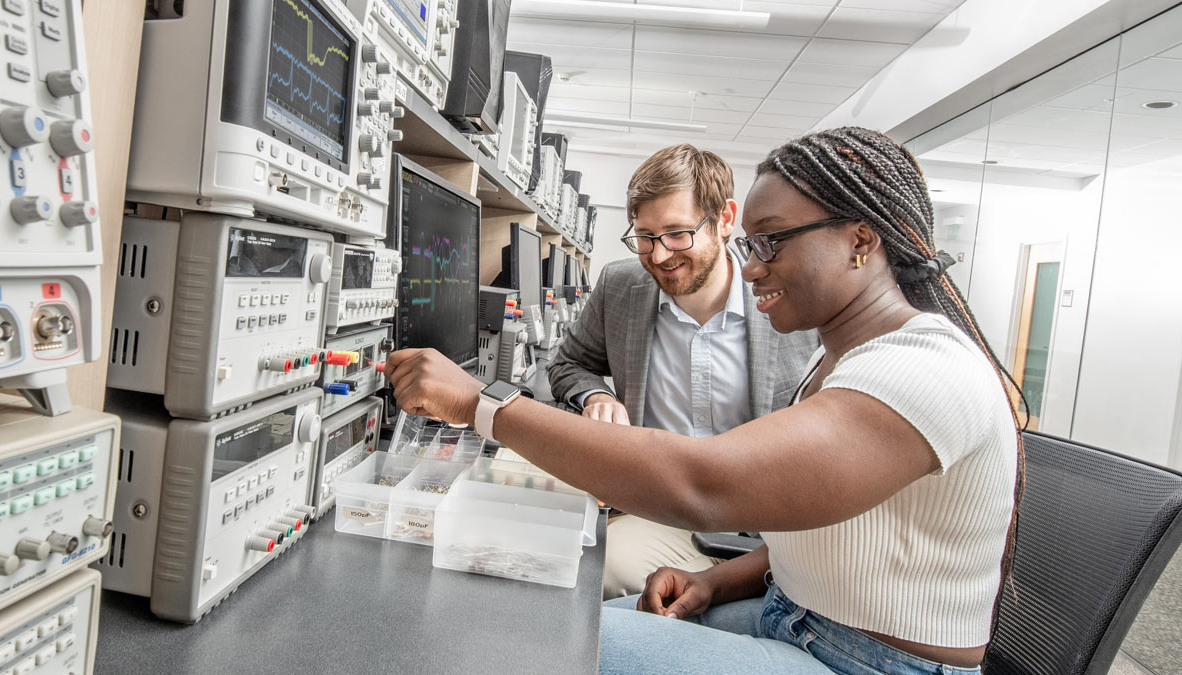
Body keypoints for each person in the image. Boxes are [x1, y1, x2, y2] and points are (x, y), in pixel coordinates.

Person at [385, 126, 1022, 674]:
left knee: (537, 637)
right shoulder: (849, 357)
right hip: (794, 614)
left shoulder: (922, 371)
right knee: (580, 610)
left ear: (860, 241)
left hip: (858, 659)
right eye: (753, 245)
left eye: (772, 241)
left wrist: (481, 404)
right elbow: (826, 530)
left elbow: (704, 482)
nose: (751, 267)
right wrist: (712, 582)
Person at [547, 143, 818, 599]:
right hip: (661, 514)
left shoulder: (788, 302)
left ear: (726, 220)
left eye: (676, 233)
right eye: (645, 236)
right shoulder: (621, 287)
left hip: (768, 528)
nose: (658, 255)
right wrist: (596, 396)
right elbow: (568, 363)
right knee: (596, 572)